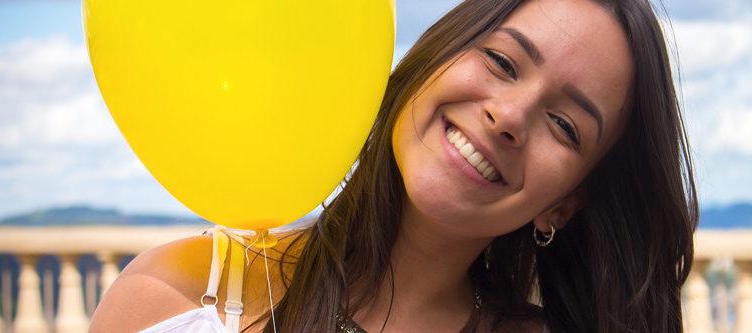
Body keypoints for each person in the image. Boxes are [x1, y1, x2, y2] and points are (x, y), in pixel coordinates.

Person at [89, 0, 697, 331]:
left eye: (565, 126)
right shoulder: (176, 296)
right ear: (437, 55)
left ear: (565, 202)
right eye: (502, 61)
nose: (509, 115)